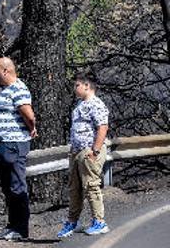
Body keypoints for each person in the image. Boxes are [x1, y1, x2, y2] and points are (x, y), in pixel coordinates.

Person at [56, 73, 111, 237]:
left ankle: (99, 222)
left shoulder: (96, 104)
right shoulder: (80, 105)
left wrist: (95, 150)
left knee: (91, 186)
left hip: (89, 151)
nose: (75, 89)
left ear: (87, 86)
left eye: (77, 85)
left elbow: (102, 127)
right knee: (74, 188)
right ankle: (73, 221)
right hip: (76, 152)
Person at [0, 57, 37, 241]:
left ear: (5, 71)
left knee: (17, 187)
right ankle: (12, 226)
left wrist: (32, 127)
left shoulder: (18, 88)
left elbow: (28, 113)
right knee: (8, 188)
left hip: (14, 144)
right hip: (3, 144)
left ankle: (21, 229)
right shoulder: (6, 90)